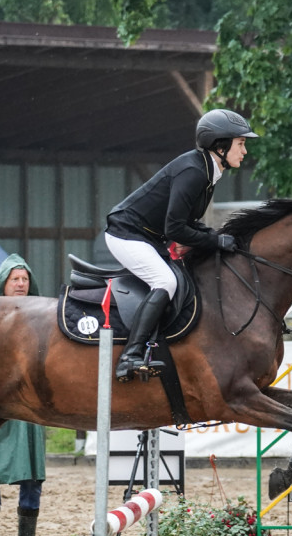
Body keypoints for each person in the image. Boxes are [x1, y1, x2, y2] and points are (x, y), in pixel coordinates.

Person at [104, 108, 259, 382]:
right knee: (166, 282)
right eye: (241, 143)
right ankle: (130, 356)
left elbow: (186, 222)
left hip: (147, 237)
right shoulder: (193, 171)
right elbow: (174, 228)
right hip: (125, 234)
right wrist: (215, 240)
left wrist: (217, 236)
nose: (245, 151)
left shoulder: (208, 171)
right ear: (220, 145)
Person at [0, 253, 47, 536]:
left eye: (24, 279)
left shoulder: (43, 315)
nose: (20, 283)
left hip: (30, 402)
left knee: (32, 470)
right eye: (15, 279)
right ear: (3, 283)